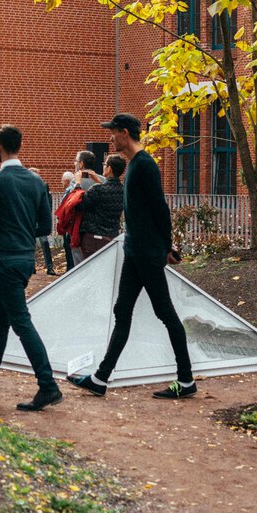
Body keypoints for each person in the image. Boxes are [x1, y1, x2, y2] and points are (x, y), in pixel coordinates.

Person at [70, 114, 197, 400]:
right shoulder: (133, 166)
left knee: (165, 313)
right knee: (122, 311)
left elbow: (160, 209)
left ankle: (186, 380)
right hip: (135, 250)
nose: (110, 139)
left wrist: (166, 247)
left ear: (124, 133)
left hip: (147, 253)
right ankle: (100, 378)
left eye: (113, 134)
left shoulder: (144, 165)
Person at [0, 124, 63, 412]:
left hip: (6, 259)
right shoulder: (36, 182)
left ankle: (48, 385)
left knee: (20, 321)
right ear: (20, 146)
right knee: (0, 321)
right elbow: (45, 226)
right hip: (25, 258)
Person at [75, 154, 126, 263]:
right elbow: (108, 194)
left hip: (93, 239)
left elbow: (79, 206)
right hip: (112, 238)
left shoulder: (97, 189)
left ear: (109, 168)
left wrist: (78, 183)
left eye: (105, 164)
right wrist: (99, 181)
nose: (103, 166)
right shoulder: (123, 191)